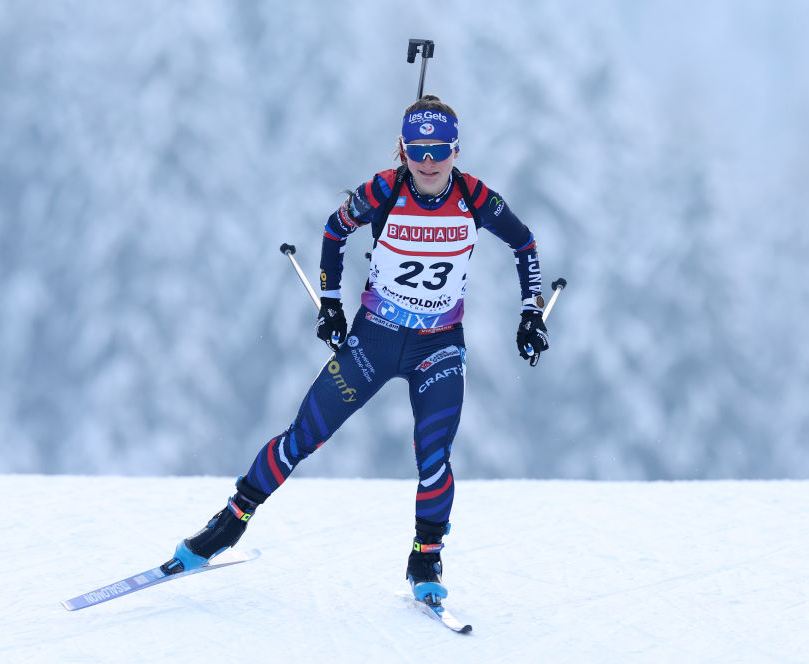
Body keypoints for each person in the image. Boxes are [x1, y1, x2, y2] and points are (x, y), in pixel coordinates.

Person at [160, 95, 550, 605]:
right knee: (302, 437)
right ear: (404, 149)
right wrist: (329, 303)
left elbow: (524, 245)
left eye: (439, 149)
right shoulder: (383, 191)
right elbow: (333, 229)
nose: (428, 162)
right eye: (417, 149)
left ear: (456, 149)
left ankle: (426, 556)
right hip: (374, 340)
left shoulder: (477, 198)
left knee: (434, 458)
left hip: (438, 347)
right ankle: (228, 524)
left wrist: (529, 312)